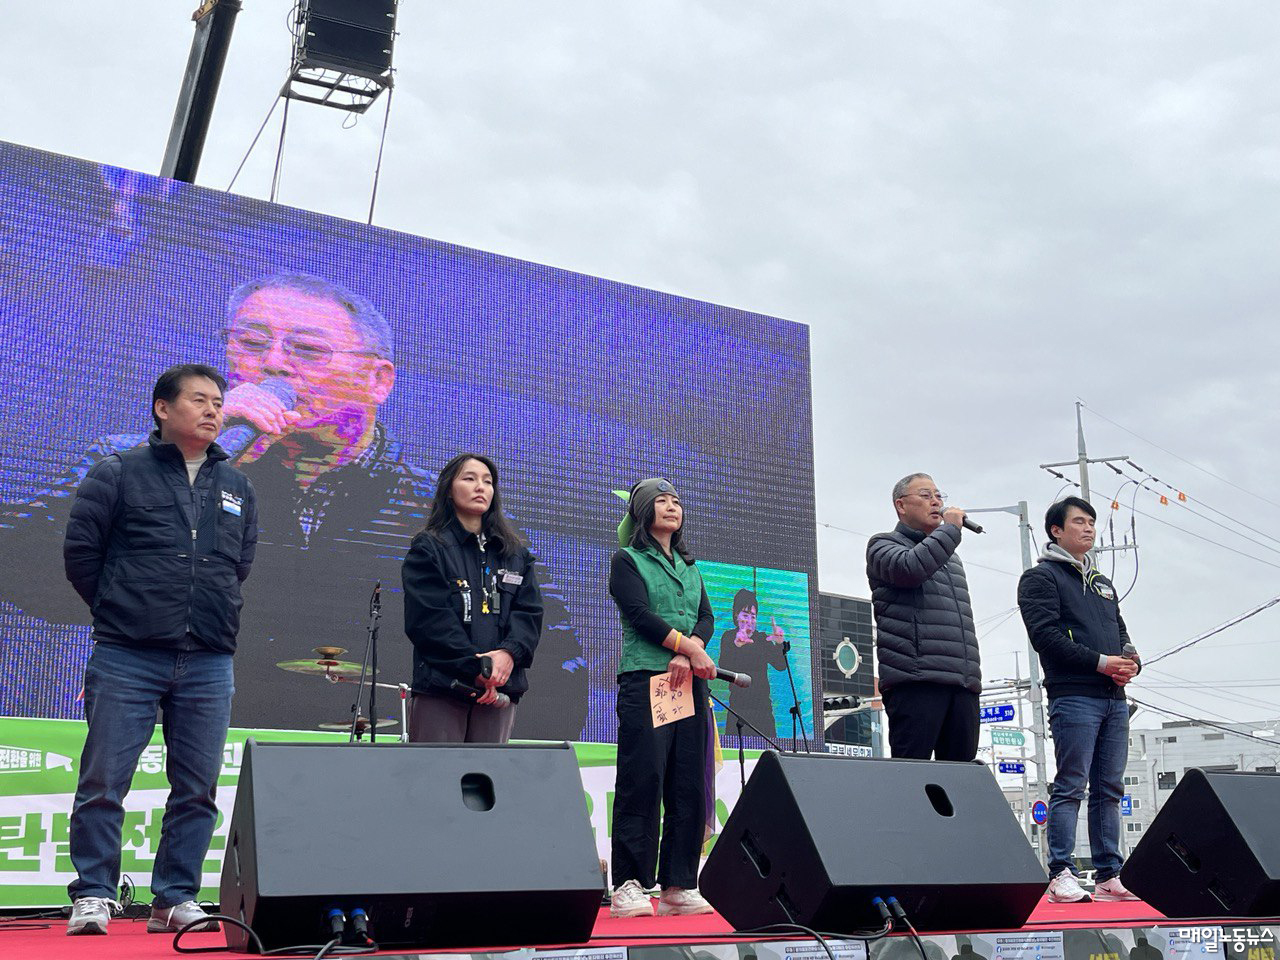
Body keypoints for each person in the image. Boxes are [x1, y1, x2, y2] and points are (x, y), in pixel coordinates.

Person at [0, 270, 587, 737]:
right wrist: (188, 459)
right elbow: (25, 566)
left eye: (306, 349)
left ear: (379, 380)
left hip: (375, 748)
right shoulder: (143, 462)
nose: (273, 364)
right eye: (251, 343)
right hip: (191, 729)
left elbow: (554, 658)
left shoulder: (437, 511)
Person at [62, 364, 257, 936]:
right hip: (128, 653)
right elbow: (82, 554)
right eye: (199, 400)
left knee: (197, 787)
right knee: (104, 780)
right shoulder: (118, 471)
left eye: (218, 402)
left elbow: (238, 565)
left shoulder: (237, 486)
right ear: (162, 408)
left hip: (209, 657)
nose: (213, 410)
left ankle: (174, 897)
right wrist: (124, 608)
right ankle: (93, 892)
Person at [1018, 496, 1141, 904]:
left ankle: (1108, 874)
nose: (1088, 528)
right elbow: (1046, 638)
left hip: (1114, 698)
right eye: (1078, 522)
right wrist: (1102, 663)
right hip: (1074, 696)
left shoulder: (1103, 583)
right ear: (1056, 530)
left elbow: (1121, 632)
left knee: (1110, 788)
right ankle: (1060, 872)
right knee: (1071, 784)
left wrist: (1130, 661)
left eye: (1091, 522)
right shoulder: (1040, 578)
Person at [608, 478, 717, 918]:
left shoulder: (691, 566)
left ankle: (678, 884)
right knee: (643, 778)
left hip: (689, 682)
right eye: (661, 501)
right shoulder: (627, 560)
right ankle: (629, 884)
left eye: (676, 501)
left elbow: (706, 617)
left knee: (687, 782)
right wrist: (688, 648)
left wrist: (691, 652)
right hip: (646, 678)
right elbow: (639, 615)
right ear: (641, 512)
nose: (672, 506)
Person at [402, 453, 543, 742]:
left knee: (488, 771)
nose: (481, 487)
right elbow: (429, 620)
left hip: (498, 693)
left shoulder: (516, 555)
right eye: (469, 478)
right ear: (449, 490)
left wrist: (507, 655)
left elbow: (529, 614)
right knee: (435, 770)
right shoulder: (429, 547)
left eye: (488, 481)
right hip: (443, 688)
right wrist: (476, 668)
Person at [865, 473, 981, 760]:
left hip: (961, 682)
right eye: (926, 495)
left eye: (939, 496)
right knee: (912, 775)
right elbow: (910, 569)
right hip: (916, 680)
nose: (936, 502)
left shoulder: (951, 558)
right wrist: (950, 530)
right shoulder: (883, 544)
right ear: (901, 505)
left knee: (961, 778)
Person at [715, 588, 787, 739]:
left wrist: (780, 643)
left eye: (753, 616)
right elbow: (724, 666)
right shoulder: (729, 637)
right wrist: (737, 645)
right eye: (745, 615)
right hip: (738, 709)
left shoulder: (762, 639)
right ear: (736, 615)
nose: (750, 620)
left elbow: (781, 665)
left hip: (763, 711)